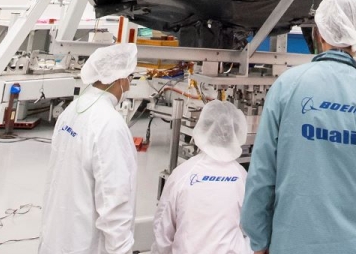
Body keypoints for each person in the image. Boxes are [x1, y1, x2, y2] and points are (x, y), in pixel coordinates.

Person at [242, 0, 356, 254]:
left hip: (294, 243)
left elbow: (262, 173)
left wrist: (259, 239)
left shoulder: (287, 87)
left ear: (319, 34)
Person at [40, 43, 139, 254]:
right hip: (84, 243)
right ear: (120, 78)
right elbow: (114, 200)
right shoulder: (110, 124)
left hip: (57, 235)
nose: (129, 86)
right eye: (130, 78)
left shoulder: (73, 109)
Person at [153, 100, 252, 254]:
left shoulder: (182, 174)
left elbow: (163, 231)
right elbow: (252, 230)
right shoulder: (242, 177)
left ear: (202, 128)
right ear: (237, 132)